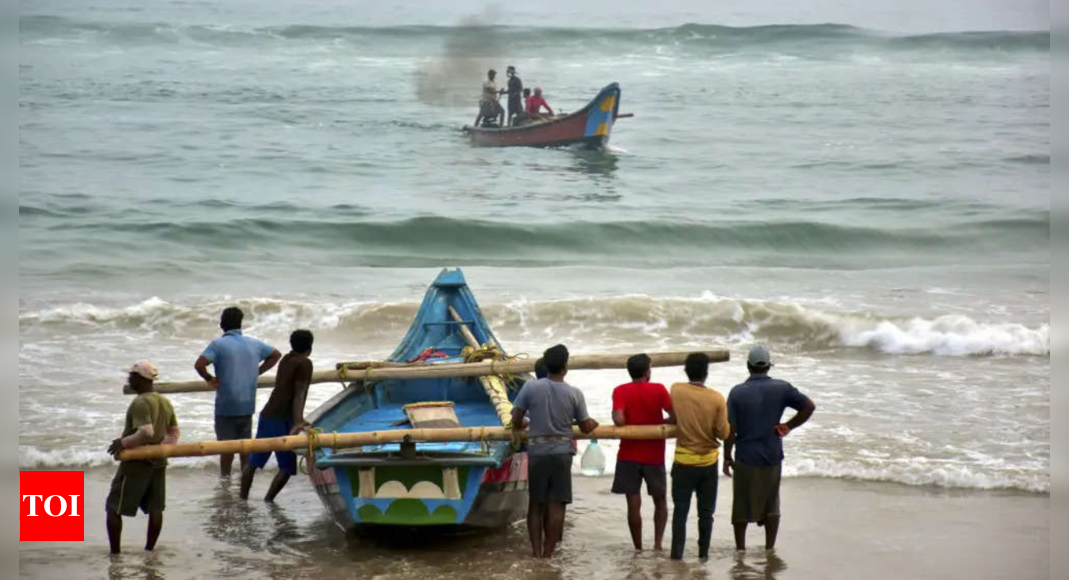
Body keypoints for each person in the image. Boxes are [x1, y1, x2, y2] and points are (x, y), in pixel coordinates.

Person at [723, 346, 816, 551]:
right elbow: (809, 406)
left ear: (748, 366)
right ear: (768, 367)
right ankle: (769, 549)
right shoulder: (782, 388)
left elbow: (730, 428)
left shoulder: (737, 393)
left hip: (746, 456)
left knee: (741, 505)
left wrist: (727, 456)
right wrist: (788, 426)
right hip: (772, 454)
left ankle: (741, 550)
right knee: (771, 503)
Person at [511, 344, 598, 558]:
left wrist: (524, 424)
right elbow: (586, 426)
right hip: (562, 452)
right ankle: (549, 554)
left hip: (538, 451)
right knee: (557, 505)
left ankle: (536, 552)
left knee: (536, 504)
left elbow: (516, 418)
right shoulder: (574, 393)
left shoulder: (531, 387)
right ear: (565, 367)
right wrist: (593, 423)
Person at [195, 307, 281, 477]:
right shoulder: (254, 343)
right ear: (240, 324)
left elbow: (199, 364)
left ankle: (225, 481)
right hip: (247, 404)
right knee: (245, 447)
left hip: (226, 405)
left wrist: (210, 379)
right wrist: (257, 372)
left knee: (225, 449)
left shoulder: (217, 344)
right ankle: (244, 481)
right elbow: (276, 354)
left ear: (222, 325)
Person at [105, 361, 179, 554]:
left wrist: (123, 442)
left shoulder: (140, 402)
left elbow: (146, 431)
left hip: (136, 463)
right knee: (155, 508)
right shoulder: (164, 401)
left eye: (131, 376)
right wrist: (159, 450)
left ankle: (115, 554)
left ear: (140, 379)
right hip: (159, 461)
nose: (129, 379)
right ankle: (149, 551)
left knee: (114, 507)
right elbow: (174, 433)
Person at [668, 352, 731, 561]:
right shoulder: (717, 398)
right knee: (706, 514)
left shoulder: (676, 390)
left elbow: (675, 415)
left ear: (686, 371)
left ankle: (676, 556)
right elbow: (723, 433)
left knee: (680, 513)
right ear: (706, 373)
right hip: (708, 463)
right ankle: (703, 555)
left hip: (683, 461)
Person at [240, 330, 314, 501]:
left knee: (253, 462)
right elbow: (299, 393)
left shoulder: (287, 359)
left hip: (268, 415)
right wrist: (298, 422)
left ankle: (242, 499)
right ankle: (268, 500)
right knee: (287, 467)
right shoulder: (305, 363)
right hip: (282, 419)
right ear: (310, 346)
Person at [611, 354, 674, 551]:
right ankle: (657, 545)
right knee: (660, 500)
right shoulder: (659, 389)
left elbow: (619, 420)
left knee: (633, 503)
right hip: (654, 454)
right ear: (648, 371)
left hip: (628, 453)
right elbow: (675, 415)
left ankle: (638, 547)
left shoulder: (620, 390)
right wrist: (660, 424)